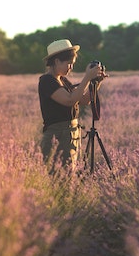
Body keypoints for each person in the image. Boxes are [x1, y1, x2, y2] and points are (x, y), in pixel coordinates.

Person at [38, 39, 106, 172]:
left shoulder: (62, 80)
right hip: (57, 136)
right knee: (61, 179)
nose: (71, 68)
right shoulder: (47, 81)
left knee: (69, 176)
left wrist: (96, 82)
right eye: (69, 64)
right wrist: (87, 78)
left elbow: (84, 100)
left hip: (70, 134)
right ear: (57, 61)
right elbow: (70, 100)